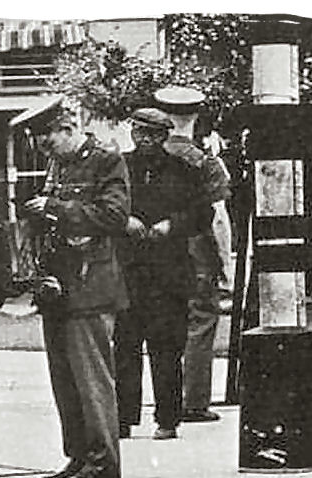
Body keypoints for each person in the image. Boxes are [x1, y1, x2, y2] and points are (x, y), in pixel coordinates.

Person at [21, 96, 130, 478]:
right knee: (65, 381)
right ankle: (80, 455)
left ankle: (103, 463)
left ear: (67, 130)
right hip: (60, 289)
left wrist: (57, 207)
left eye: (48, 141)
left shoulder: (105, 161)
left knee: (91, 380)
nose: (45, 151)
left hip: (90, 286)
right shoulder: (61, 164)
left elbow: (115, 216)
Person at [114, 108, 214, 440]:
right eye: (139, 133)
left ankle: (167, 419)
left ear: (163, 137)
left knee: (167, 349)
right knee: (125, 348)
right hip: (127, 270)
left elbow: (202, 213)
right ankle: (123, 418)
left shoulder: (183, 171)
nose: (144, 140)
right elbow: (105, 206)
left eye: (152, 135)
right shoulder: (119, 168)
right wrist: (124, 221)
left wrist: (172, 225)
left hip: (168, 272)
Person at [155, 86, 232, 423]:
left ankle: (161, 404)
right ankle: (194, 401)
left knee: (160, 326)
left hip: (154, 254)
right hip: (196, 251)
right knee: (201, 322)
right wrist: (226, 261)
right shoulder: (205, 163)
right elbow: (217, 217)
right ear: (196, 116)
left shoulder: (143, 158)